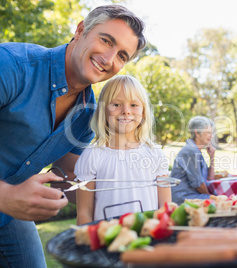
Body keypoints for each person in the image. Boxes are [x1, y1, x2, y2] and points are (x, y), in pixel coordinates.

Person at [0, 5, 146, 267]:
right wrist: (5, 196)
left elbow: (68, 177)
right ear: (81, 30)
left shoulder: (87, 115)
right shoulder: (12, 65)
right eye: (106, 40)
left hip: (9, 215)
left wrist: (128, 187)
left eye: (122, 55)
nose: (109, 58)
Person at [75, 75, 171, 225]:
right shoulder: (92, 156)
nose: (126, 111)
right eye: (116, 104)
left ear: (144, 111)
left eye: (133, 105)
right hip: (107, 242)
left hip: (148, 240)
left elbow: (165, 208)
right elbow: (84, 213)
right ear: (103, 111)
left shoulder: (155, 154)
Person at [170, 116, 216, 204]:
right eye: (207, 132)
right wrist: (211, 197)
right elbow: (199, 185)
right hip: (183, 197)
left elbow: (209, 179)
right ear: (197, 133)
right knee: (219, 201)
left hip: (192, 195)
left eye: (211, 132)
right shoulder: (190, 151)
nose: (211, 136)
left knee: (220, 199)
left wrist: (212, 158)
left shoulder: (196, 151)